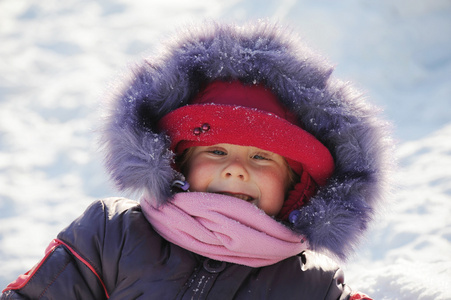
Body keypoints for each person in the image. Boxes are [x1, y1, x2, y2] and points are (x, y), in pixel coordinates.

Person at [1, 21, 392, 299]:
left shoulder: (314, 286)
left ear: (296, 185)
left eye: (261, 157)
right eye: (216, 151)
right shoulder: (112, 236)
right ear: (179, 163)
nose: (236, 168)